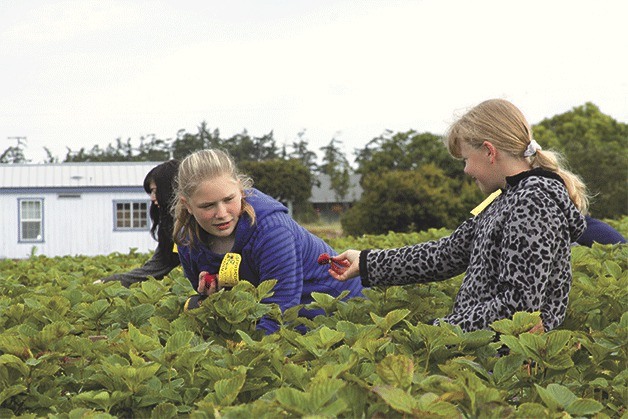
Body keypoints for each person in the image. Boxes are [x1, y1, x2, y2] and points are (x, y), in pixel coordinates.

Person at [329, 99, 588, 333]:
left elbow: (517, 308)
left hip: (501, 363)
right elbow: (447, 253)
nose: (465, 170)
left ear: (489, 151)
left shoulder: (533, 203)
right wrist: (365, 262)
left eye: (466, 158)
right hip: (481, 347)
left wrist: (439, 331)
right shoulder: (504, 197)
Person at [172, 149, 363, 334]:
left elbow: (279, 315)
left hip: (339, 308)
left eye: (229, 199)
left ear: (240, 189)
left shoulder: (272, 230)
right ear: (187, 205)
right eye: (208, 206)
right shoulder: (187, 240)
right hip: (282, 316)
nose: (222, 214)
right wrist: (213, 298)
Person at [97, 160, 181, 287]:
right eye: (151, 192)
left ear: (171, 189)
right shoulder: (172, 228)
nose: (152, 198)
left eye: (155, 191)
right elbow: (156, 267)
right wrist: (110, 281)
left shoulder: (198, 224)